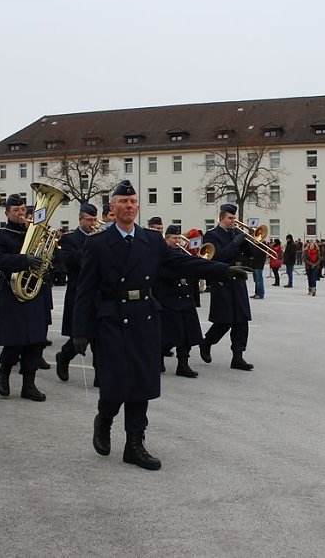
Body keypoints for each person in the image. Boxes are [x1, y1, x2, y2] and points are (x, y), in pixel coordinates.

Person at [73, 181, 246, 470]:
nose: (128, 206)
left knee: (141, 382)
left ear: (137, 206)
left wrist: (223, 270)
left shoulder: (150, 241)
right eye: (123, 201)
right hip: (111, 318)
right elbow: (85, 289)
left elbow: (185, 264)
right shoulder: (97, 243)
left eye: (133, 201)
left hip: (144, 316)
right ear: (112, 207)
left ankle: (134, 444)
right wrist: (81, 330)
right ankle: (104, 418)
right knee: (116, 382)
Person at [0, 194, 51, 401]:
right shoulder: (0, 234)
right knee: (15, 341)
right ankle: (4, 373)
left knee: (35, 341)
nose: (21, 213)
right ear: (7, 213)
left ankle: (29, 385)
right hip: (11, 291)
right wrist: (24, 260)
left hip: (33, 291)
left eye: (23, 209)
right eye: (16, 210)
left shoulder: (34, 232)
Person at [199, 203, 257, 371]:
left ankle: (238, 356)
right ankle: (207, 342)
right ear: (221, 218)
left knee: (242, 318)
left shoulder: (236, 233)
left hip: (238, 278)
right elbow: (219, 256)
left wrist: (246, 240)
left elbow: (252, 254)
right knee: (224, 320)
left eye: (234, 218)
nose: (233, 221)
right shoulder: (211, 235)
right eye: (230, 218)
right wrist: (235, 242)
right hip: (222, 278)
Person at [55, 203, 99, 383]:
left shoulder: (100, 237)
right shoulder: (69, 239)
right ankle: (64, 357)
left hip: (98, 293)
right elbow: (72, 262)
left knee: (99, 336)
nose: (93, 223)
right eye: (89, 220)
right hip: (79, 292)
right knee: (79, 336)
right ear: (80, 220)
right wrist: (94, 247)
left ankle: (100, 375)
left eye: (94, 220)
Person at [156, 225, 207, 378]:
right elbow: (163, 274)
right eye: (174, 238)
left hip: (184, 295)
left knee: (187, 333)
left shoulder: (183, 253)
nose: (177, 241)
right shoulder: (161, 254)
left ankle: (183, 364)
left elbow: (194, 272)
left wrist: (195, 261)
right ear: (166, 239)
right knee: (168, 333)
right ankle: (158, 360)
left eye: (179, 238)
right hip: (168, 296)